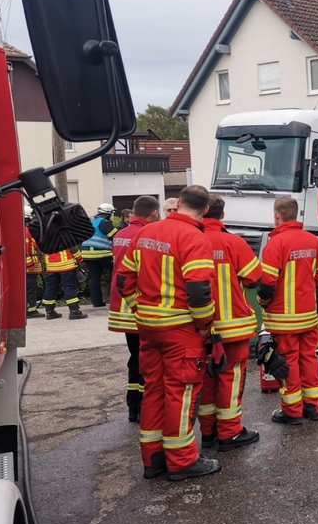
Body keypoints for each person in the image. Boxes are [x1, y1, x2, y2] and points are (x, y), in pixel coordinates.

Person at [117, 185, 220, 481]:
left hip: (149, 329)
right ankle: (182, 461)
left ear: (178, 203)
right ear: (205, 210)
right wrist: (204, 326)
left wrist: (140, 309)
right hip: (180, 330)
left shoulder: (146, 232)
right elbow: (198, 291)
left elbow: (124, 280)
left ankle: (153, 459)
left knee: (154, 390)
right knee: (181, 392)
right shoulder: (194, 237)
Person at [198, 196, 262, 451]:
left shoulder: (190, 240)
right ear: (222, 215)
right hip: (232, 326)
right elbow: (254, 278)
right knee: (230, 378)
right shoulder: (233, 242)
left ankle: (208, 433)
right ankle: (230, 432)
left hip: (198, 327)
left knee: (206, 379)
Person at [258, 196, 318, 425]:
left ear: (277, 215)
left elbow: (267, 283)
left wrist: (262, 302)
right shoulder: (313, 241)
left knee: (288, 361)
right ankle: (313, 407)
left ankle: (292, 411)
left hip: (283, 319)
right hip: (308, 316)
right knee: (309, 358)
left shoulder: (275, 244)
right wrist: (306, 290)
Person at [109, 195, 161, 423]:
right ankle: (143, 407)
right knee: (146, 359)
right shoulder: (146, 235)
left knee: (135, 357)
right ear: (154, 213)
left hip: (120, 306)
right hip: (139, 304)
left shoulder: (120, 234)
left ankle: (133, 406)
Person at [80, 202, 119, 308]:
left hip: (87, 255)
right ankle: (114, 298)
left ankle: (97, 302)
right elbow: (115, 237)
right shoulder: (105, 223)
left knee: (93, 278)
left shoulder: (91, 222)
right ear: (109, 213)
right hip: (103, 254)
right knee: (115, 273)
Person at [42, 246, 86, 320]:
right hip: (66, 265)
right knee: (69, 287)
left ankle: (50, 312)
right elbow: (73, 248)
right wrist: (80, 258)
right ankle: (74, 312)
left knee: (51, 288)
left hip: (51, 265)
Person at [24, 207, 44, 319]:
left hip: (31, 266)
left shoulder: (26, 229)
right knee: (30, 289)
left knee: (30, 288)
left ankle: (29, 309)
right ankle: (31, 311)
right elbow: (25, 249)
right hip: (30, 267)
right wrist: (29, 264)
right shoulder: (26, 230)